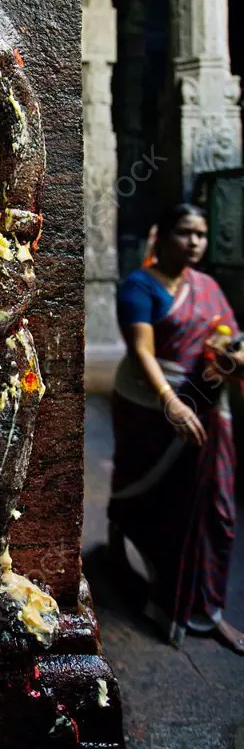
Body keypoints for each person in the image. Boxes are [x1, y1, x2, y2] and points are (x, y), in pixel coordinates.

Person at [108, 203, 244, 653]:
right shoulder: (138, 286)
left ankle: (210, 610)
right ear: (161, 236)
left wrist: (231, 356)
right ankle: (165, 599)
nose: (196, 242)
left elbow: (224, 335)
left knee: (217, 510)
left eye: (202, 234)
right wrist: (172, 404)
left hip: (206, 402)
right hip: (152, 405)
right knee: (160, 502)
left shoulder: (206, 286)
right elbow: (143, 351)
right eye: (186, 233)